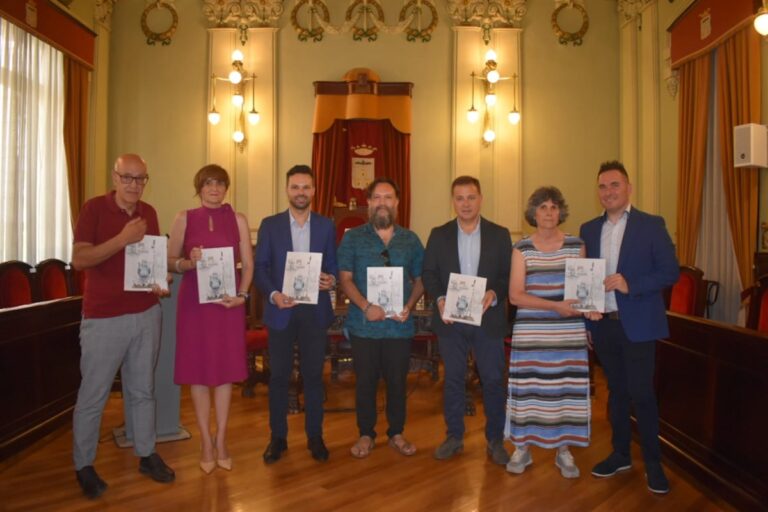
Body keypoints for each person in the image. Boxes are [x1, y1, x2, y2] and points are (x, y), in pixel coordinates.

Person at [71, 154, 175, 499]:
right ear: (115, 177)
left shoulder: (150, 213)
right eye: (127, 178)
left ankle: (146, 454)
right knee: (94, 395)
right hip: (103, 318)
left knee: (142, 389)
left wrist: (161, 281)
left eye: (141, 178)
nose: (134, 185)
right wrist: (122, 238)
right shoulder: (93, 209)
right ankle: (84, 465)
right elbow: (80, 259)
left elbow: (153, 264)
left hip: (146, 313)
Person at [579, 161, 679, 494]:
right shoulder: (589, 229)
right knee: (616, 395)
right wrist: (586, 321)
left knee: (643, 395)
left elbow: (670, 272)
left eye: (614, 185)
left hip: (638, 325)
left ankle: (653, 463)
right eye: (602, 187)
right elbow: (584, 280)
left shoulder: (651, 225)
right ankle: (621, 454)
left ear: (628, 188)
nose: (608, 192)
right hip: (603, 326)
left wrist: (630, 283)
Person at [505, 187, 597, 478]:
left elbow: (584, 290)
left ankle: (564, 451)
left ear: (561, 211)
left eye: (553, 207)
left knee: (564, 391)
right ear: (533, 212)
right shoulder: (521, 248)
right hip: (532, 335)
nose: (548, 212)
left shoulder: (576, 245)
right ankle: (523, 448)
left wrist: (591, 308)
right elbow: (515, 296)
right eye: (542, 207)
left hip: (567, 334)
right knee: (530, 392)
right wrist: (554, 306)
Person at [167, 164, 253, 474]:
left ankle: (222, 440)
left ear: (226, 188)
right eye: (208, 183)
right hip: (195, 306)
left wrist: (242, 295)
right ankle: (205, 441)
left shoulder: (238, 219)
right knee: (200, 373)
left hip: (228, 306)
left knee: (225, 373)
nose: (214, 188)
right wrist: (189, 262)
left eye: (220, 183)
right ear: (199, 187)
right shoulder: (183, 218)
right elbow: (170, 260)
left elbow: (249, 264)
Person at [423, 176, 512, 466]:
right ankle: (454, 437)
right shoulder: (439, 234)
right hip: (452, 321)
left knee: (494, 380)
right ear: (453, 202)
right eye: (459, 198)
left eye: (471, 197)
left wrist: (494, 293)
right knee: (453, 380)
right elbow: (430, 274)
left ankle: (495, 440)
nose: (465, 203)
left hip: (489, 319)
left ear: (480, 198)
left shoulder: (500, 235)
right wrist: (438, 299)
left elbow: (506, 275)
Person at [254, 165, 338, 464]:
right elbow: (260, 268)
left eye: (306, 187)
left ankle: (315, 436)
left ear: (314, 191)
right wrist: (275, 295)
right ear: (287, 190)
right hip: (281, 311)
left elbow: (332, 265)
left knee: (314, 376)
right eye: (295, 187)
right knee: (278, 377)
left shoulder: (327, 225)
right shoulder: (270, 225)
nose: (301, 192)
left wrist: (330, 279)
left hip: (314, 312)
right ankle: (278, 438)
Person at [337, 177, 425, 458]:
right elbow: (345, 279)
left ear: (397, 203)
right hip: (365, 326)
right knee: (365, 382)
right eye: (377, 197)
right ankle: (366, 434)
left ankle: (396, 432)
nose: (383, 203)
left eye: (388, 197)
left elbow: (422, 279)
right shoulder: (352, 237)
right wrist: (365, 306)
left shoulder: (410, 239)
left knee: (398, 382)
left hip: (399, 328)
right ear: (369, 203)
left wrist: (409, 305)